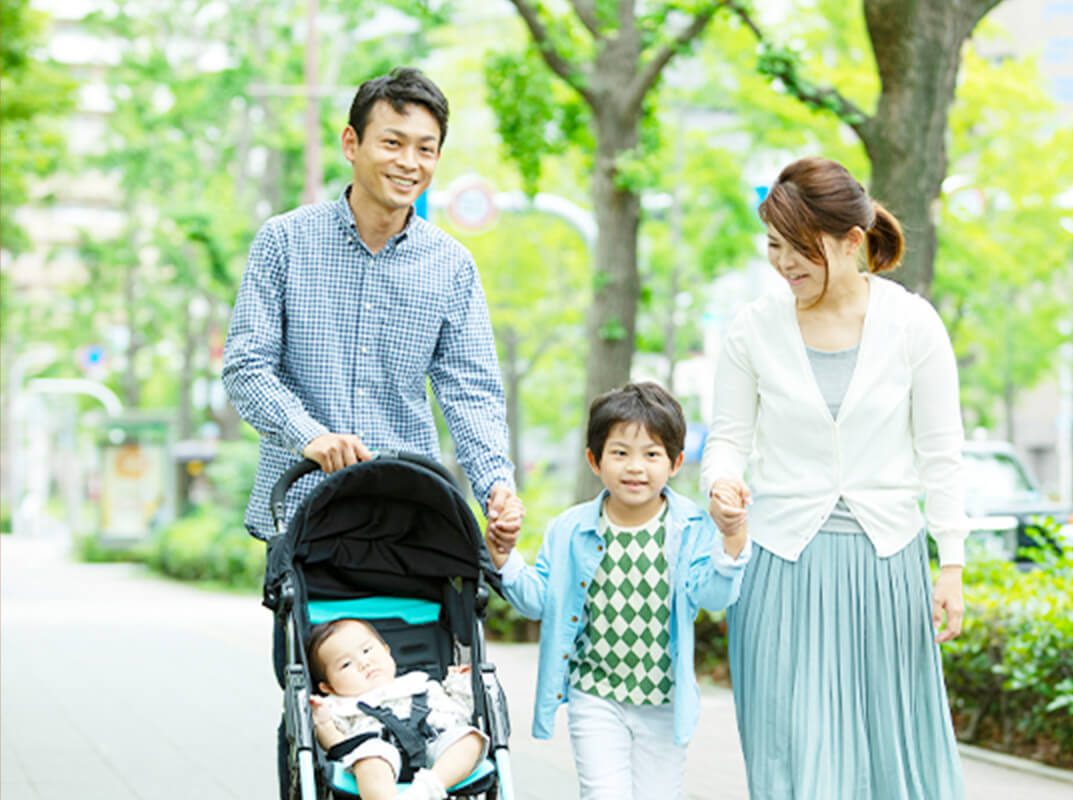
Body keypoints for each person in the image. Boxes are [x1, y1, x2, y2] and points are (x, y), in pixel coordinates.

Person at [221, 66, 523, 798]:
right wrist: (309, 435)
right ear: (352, 143)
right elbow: (246, 366)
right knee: (320, 703)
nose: (409, 162)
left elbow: (472, 392)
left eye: (426, 148)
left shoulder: (451, 266)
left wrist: (496, 485)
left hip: (410, 522)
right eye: (393, 142)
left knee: (436, 690)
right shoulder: (285, 242)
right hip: (309, 519)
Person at [701, 155, 968, 799]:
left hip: (887, 565)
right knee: (792, 757)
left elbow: (941, 452)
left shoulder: (912, 323)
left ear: (852, 241)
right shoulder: (754, 327)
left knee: (894, 756)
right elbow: (728, 438)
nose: (784, 263)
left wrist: (953, 564)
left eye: (800, 247)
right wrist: (721, 485)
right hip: (781, 564)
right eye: (774, 245)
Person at [487, 382, 751, 800]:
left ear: (676, 462)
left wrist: (732, 538)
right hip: (595, 696)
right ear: (594, 460)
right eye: (620, 453)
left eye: (652, 454)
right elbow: (539, 602)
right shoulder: (570, 529)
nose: (635, 467)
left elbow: (715, 597)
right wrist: (504, 557)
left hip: (665, 702)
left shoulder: (692, 528)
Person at [307, 618, 487, 800]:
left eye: (367, 650)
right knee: (370, 760)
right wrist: (323, 723)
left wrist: (461, 684)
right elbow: (337, 746)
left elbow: (459, 714)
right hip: (380, 754)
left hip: (435, 747)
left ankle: (426, 791)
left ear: (387, 651)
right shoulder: (338, 706)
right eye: (346, 664)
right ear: (328, 687)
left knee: (471, 738)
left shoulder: (420, 684)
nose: (364, 663)